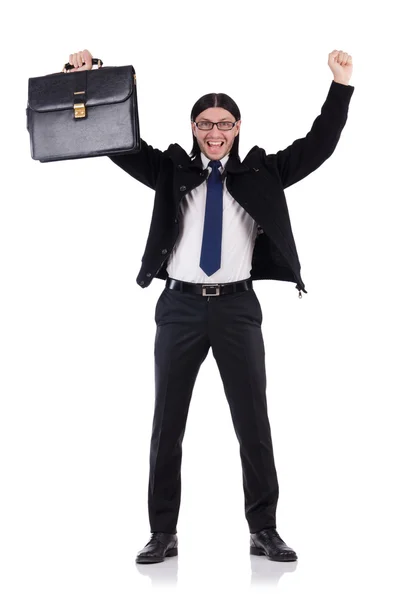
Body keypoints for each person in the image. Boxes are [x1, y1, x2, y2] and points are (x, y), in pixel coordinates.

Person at [65, 48, 354, 563]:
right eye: (204, 124)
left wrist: (341, 85)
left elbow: (320, 145)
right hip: (179, 309)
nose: (214, 132)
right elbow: (117, 139)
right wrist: (88, 82)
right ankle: (162, 532)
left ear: (238, 127)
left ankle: (263, 528)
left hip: (239, 310)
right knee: (167, 424)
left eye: (223, 123)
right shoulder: (170, 170)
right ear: (194, 127)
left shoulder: (262, 172)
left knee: (253, 422)